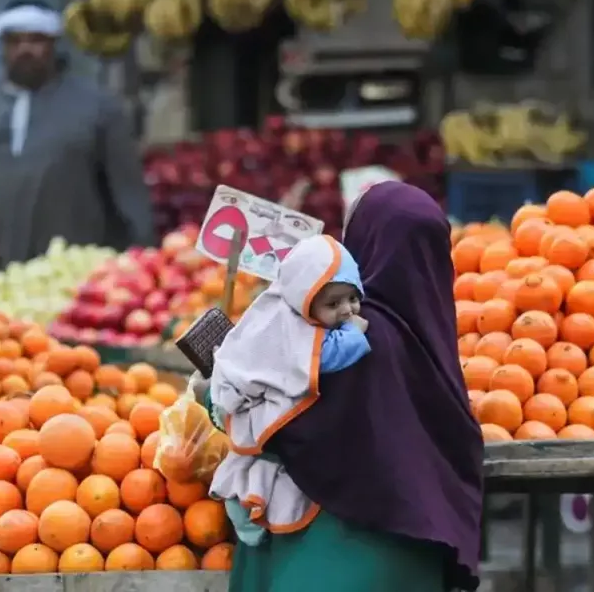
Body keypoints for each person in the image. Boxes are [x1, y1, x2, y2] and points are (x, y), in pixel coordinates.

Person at [198, 181, 484, 592]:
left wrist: (212, 393)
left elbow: (283, 425)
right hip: (415, 558)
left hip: (339, 555)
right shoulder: (432, 344)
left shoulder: (349, 340)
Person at [0, 0, 154, 279]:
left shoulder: (98, 107)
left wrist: (140, 263)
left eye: (36, 40)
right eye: (14, 41)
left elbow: (129, 194)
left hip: (75, 279)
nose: (25, 49)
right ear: (2, 46)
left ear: (54, 44)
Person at [209, 234, 371, 546]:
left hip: (240, 394)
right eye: (333, 303)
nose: (348, 310)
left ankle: (249, 499)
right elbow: (326, 356)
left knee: (265, 462)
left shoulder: (293, 309)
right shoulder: (285, 322)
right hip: (242, 396)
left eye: (353, 298)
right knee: (257, 456)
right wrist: (354, 333)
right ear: (303, 299)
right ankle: (242, 501)